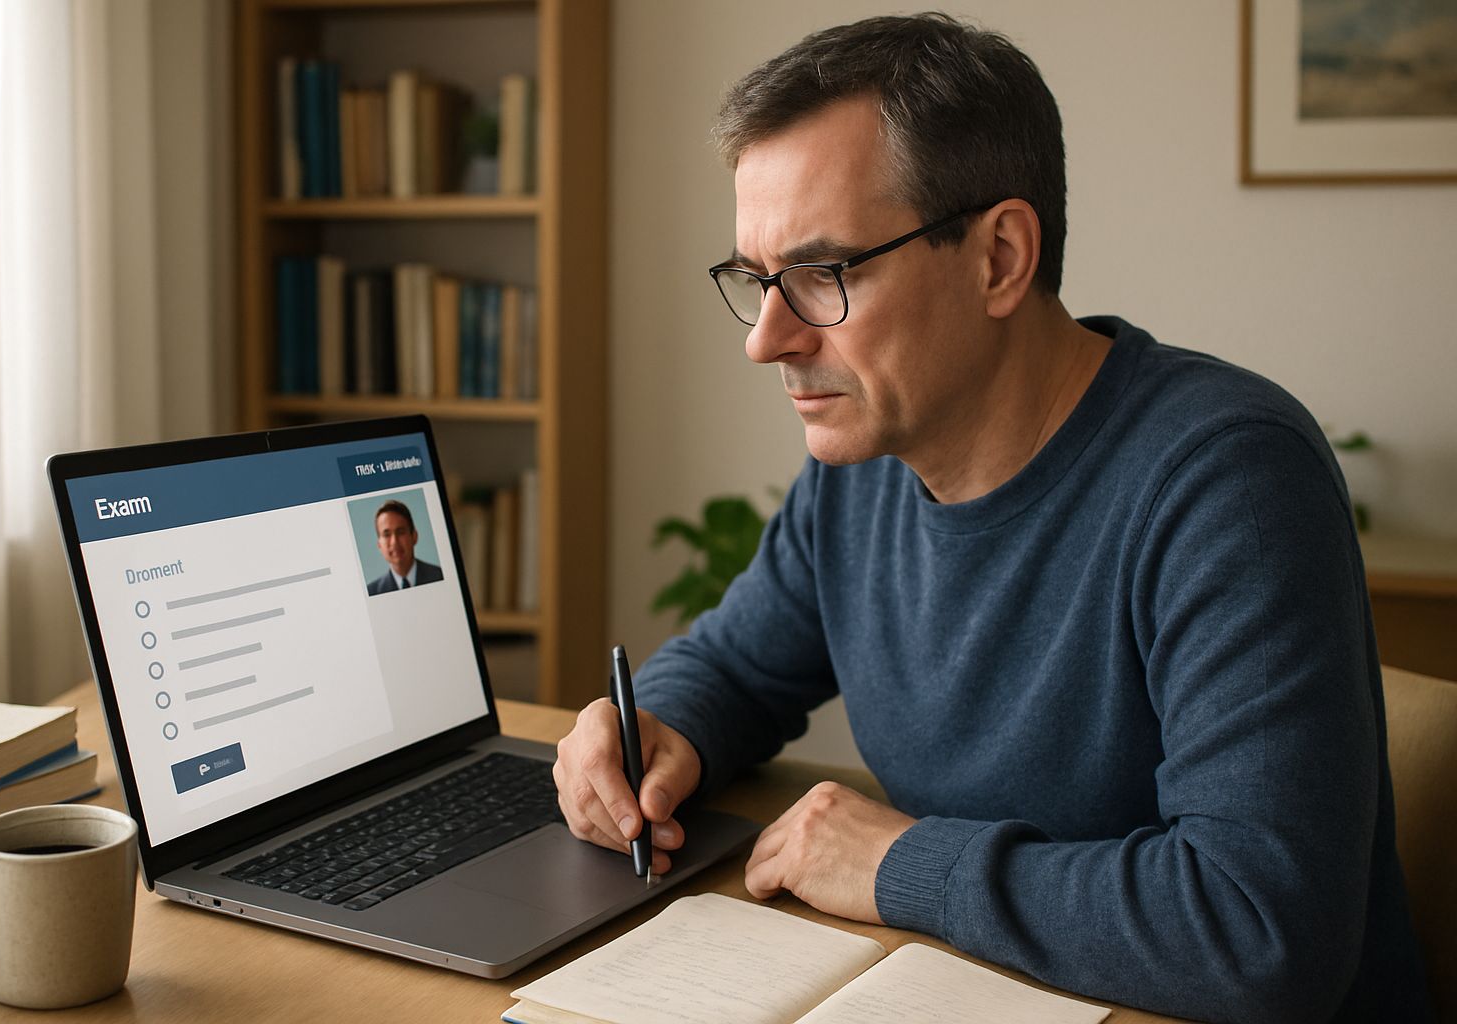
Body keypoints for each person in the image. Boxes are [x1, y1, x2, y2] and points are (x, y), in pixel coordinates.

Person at [552, 13, 1430, 1024]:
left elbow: (1260, 928)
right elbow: (739, 666)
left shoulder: (1226, 479)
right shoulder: (866, 461)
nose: (768, 340)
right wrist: (654, 731)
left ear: (1001, 256)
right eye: (757, 281)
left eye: (824, 274)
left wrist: (901, 862)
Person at [366, 498, 442, 595]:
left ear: (414, 537)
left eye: (401, 532)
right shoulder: (372, 592)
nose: (394, 542)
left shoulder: (440, 576)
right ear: (379, 545)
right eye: (387, 535)